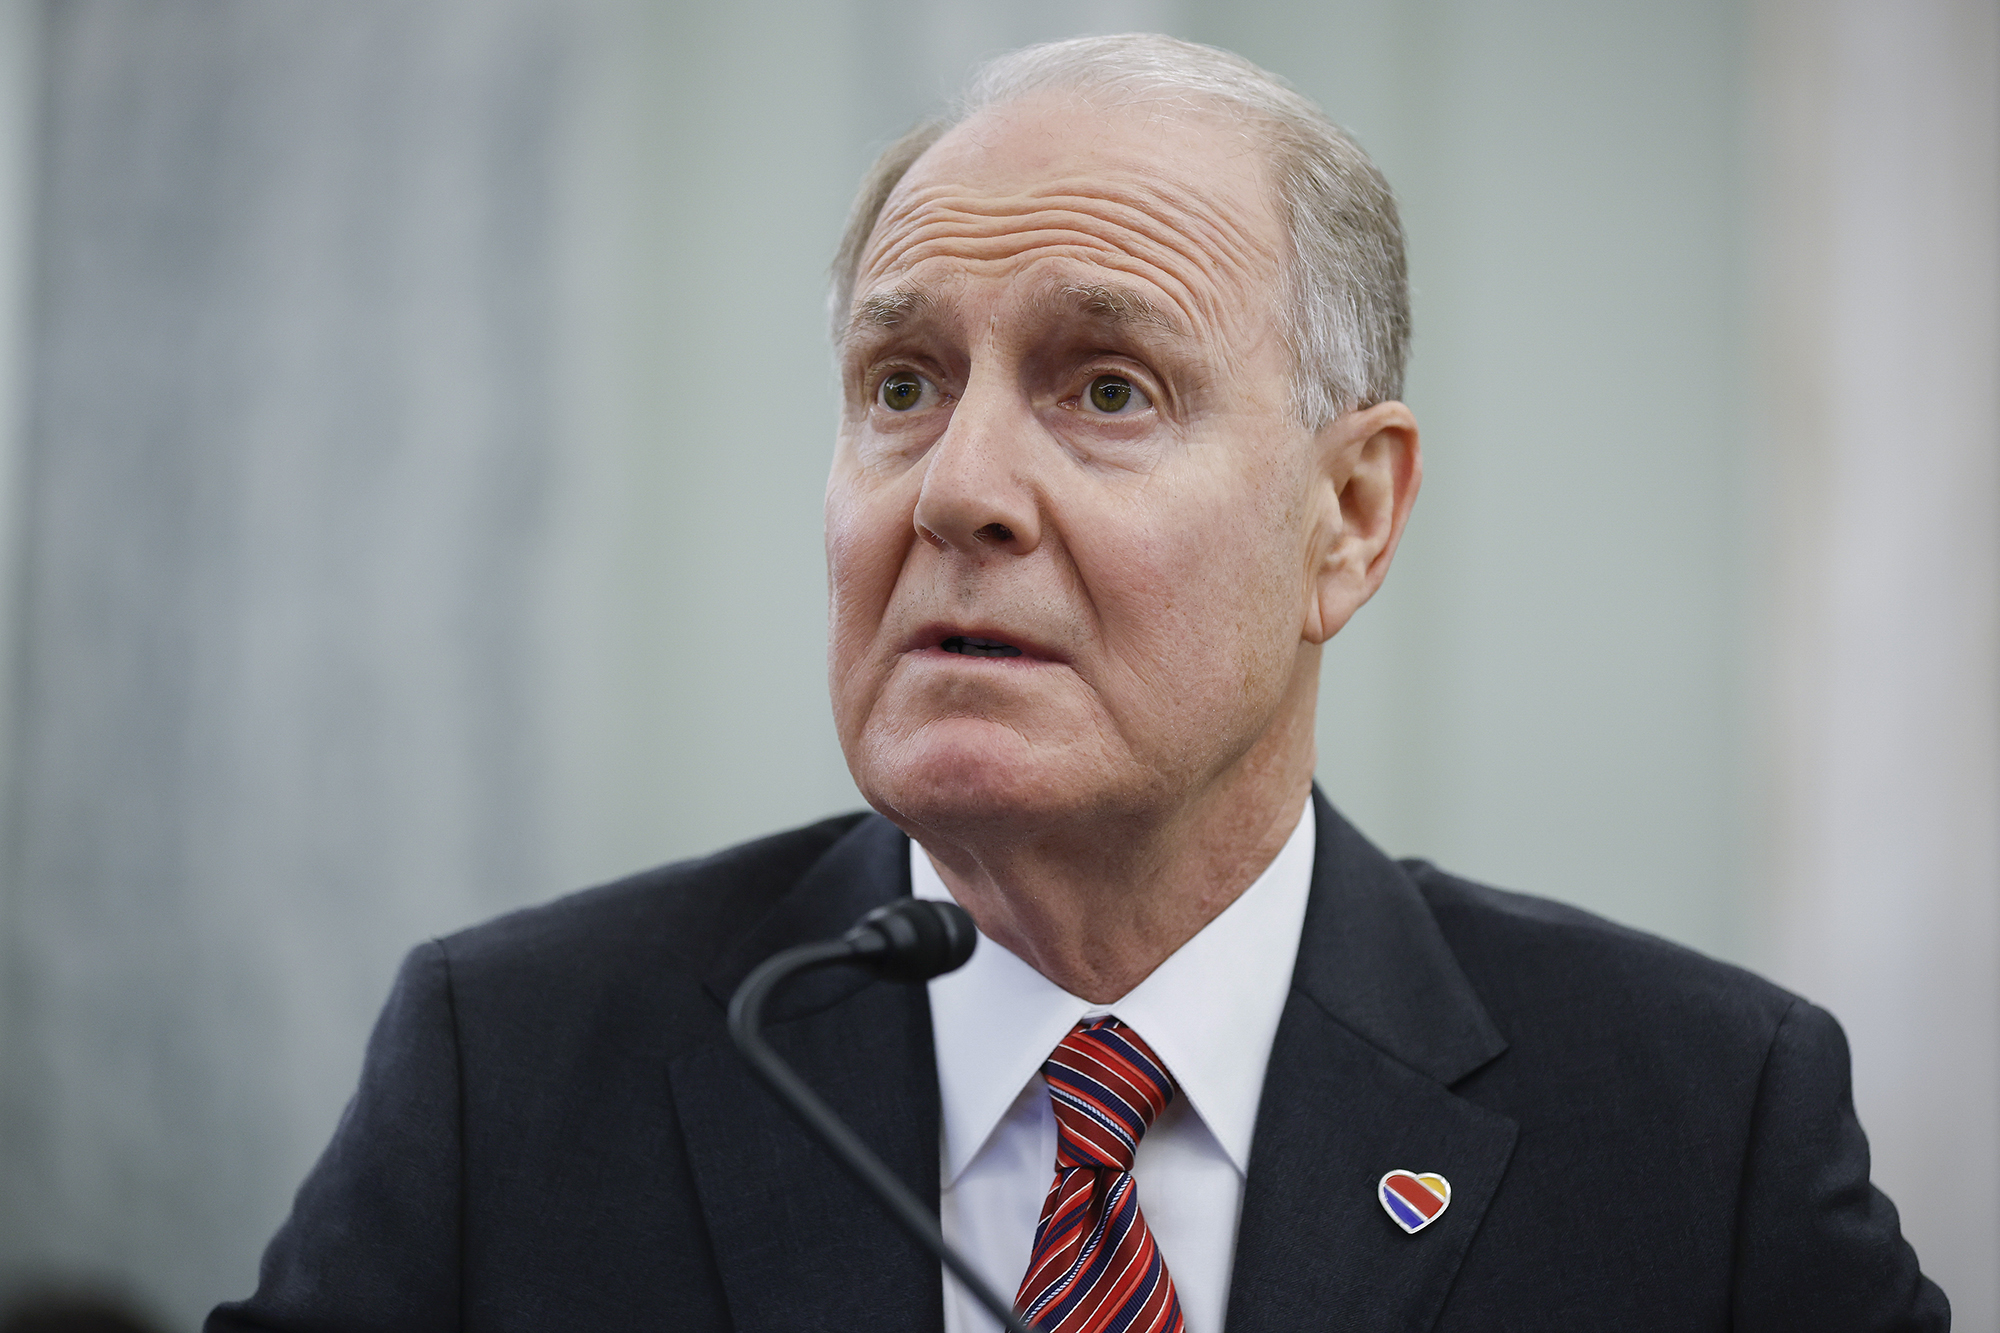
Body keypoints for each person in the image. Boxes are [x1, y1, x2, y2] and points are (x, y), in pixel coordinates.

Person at [210, 33, 1947, 1333]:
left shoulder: (1694, 1125)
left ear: (1348, 517)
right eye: (900, 383)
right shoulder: (507, 1073)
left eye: (1106, 387)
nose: (957, 486)